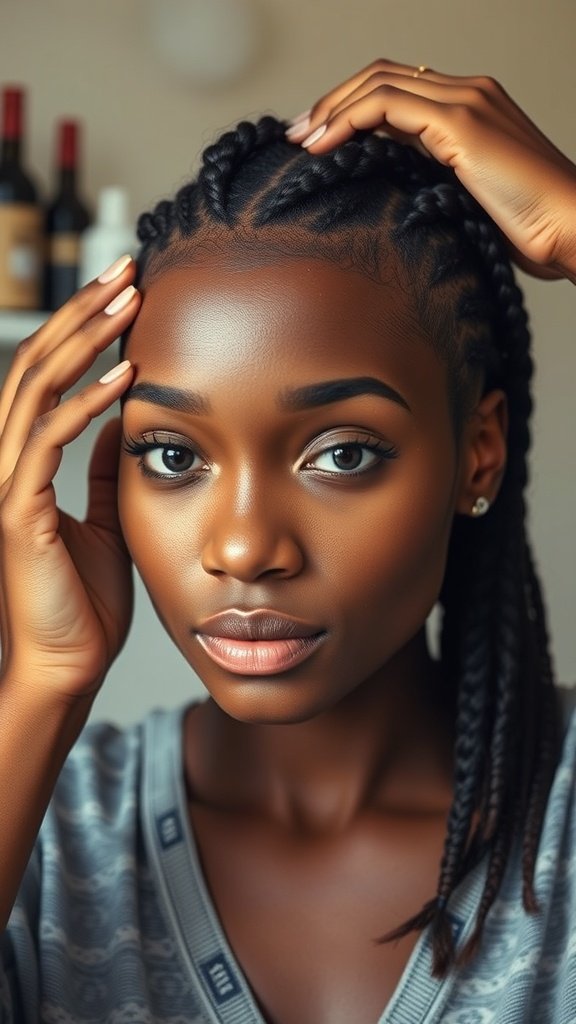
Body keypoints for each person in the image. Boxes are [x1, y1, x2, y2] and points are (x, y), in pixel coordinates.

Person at [0, 58, 575, 1024]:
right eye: (174, 455)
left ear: (479, 454)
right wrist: (42, 680)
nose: (242, 548)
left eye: (342, 453)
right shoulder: (46, 829)